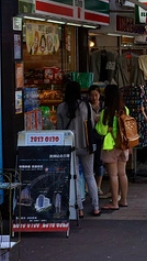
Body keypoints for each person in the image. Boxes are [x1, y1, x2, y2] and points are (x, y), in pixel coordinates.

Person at [56, 81, 100, 217]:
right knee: (89, 175)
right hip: (86, 145)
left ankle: (79, 209)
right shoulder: (86, 105)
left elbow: (59, 129)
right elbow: (92, 124)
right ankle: (96, 207)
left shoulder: (61, 107)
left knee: (74, 177)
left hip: (70, 146)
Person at [95, 84, 130, 210]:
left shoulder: (106, 112)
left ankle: (114, 202)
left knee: (113, 175)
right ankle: (124, 200)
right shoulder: (125, 110)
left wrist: (97, 122)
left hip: (111, 146)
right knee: (123, 173)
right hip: (124, 145)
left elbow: (102, 131)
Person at [87, 85, 107, 199]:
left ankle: (98, 186)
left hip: (101, 136)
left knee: (99, 161)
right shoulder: (86, 106)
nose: (94, 97)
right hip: (90, 136)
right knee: (90, 161)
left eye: (96, 95)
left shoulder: (103, 106)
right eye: (92, 95)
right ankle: (88, 187)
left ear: (99, 95)